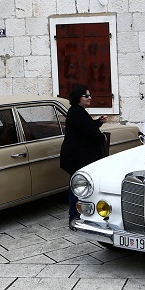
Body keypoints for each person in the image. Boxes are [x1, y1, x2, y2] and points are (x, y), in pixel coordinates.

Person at [60, 84, 106, 220]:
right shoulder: (77, 112)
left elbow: (86, 127)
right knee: (78, 185)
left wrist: (98, 122)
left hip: (78, 157)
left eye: (90, 95)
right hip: (77, 158)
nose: (89, 98)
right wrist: (101, 136)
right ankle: (74, 215)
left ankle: (78, 213)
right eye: (86, 96)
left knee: (79, 184)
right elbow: (91, 132)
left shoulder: (78, 111)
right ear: (78, 98)